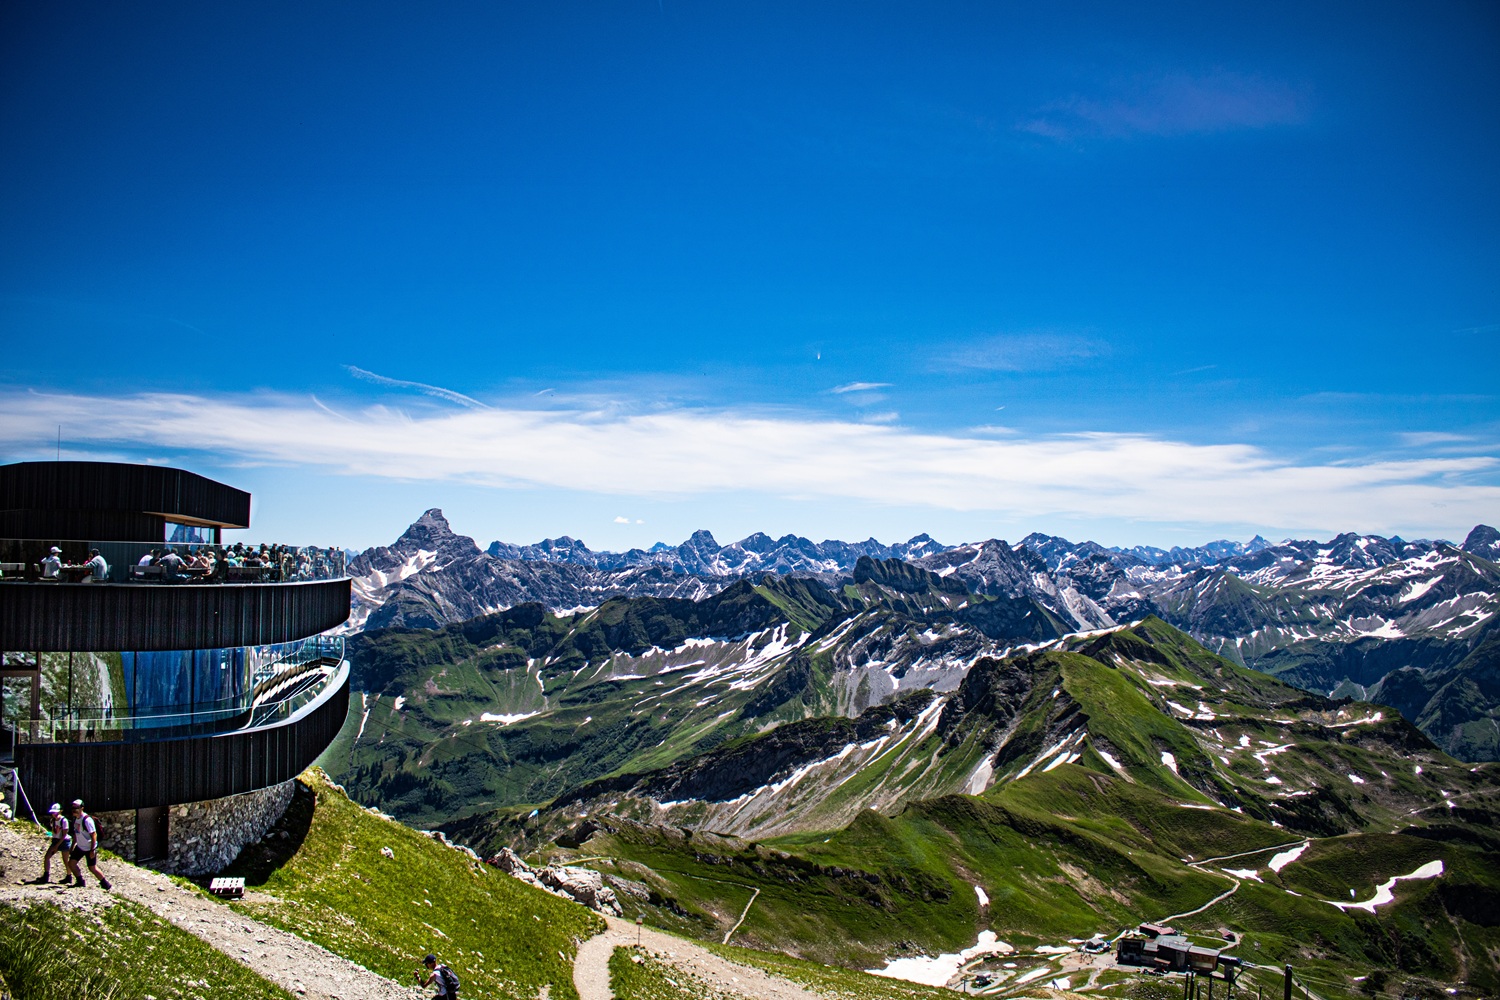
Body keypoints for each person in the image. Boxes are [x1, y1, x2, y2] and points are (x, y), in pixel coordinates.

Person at [64, 799, 112, 890]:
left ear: (82, 808)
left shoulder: (87, 820)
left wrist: (92, 849)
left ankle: (105, 884)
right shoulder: (76, 819)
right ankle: (80, 881)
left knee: (92, 868)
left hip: (89, 847)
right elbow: (76, 834)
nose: (74, 810)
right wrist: (72, 846)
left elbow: (93, 834)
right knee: (71, 863)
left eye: (76, 808)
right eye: (73, 808)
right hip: (80, 847)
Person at [38, 803, 72, 883]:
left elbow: (64, 835)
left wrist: (57, 845)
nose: (54, 814)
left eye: (56, 812)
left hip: (64, 841)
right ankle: (46, 876)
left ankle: (69, 876)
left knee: (65, 860)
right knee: (47, 857)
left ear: (60, 811)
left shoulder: (64, 821)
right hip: (55, 840)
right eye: (53, 813)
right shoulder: (53, 821)